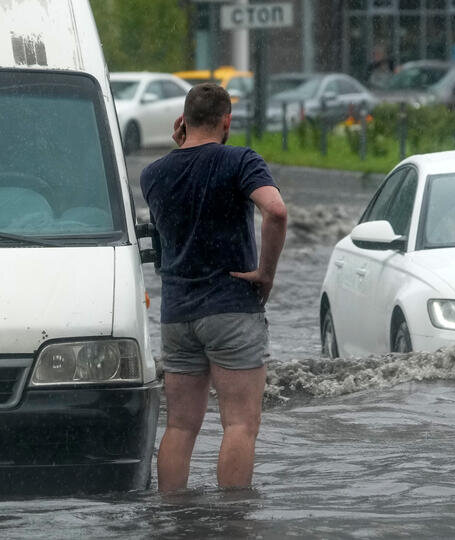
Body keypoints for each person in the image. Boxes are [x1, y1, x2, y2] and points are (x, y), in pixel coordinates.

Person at [141, 83, 288, 492]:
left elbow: (178, 214)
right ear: (227, 121)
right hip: (231, 308)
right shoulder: (240, 160)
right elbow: (275, 210)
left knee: (181, 426)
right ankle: (234, 522)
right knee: (239, 424)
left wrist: (180, 146)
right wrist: (266, 273)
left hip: (177, 314)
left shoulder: (153, 174)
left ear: (182, 122)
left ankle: (173, 519)